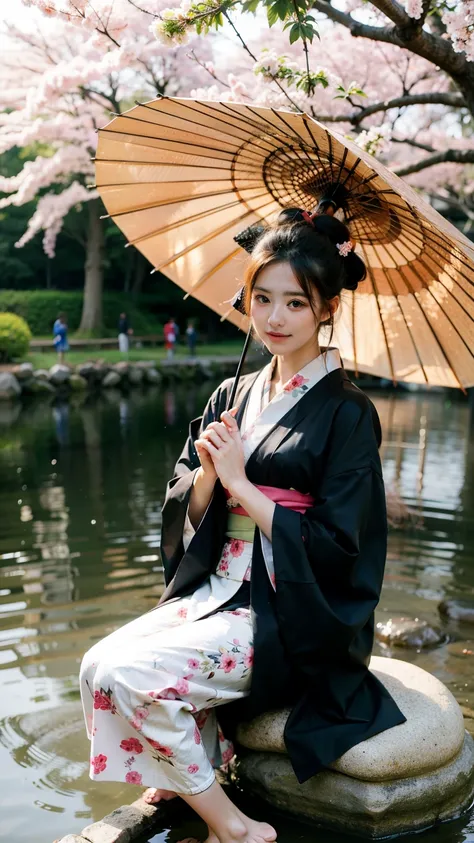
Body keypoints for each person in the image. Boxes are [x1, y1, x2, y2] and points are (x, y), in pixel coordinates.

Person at [80, 209, 406, 843]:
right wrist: (206, 476)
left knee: (131, 675)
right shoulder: (233, 395)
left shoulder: (348, 413)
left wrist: (242, 486)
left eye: (295, 303)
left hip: (288, 611)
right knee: (97, 663)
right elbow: (184, 506)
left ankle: (234, 826)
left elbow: (343, 549)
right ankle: (186, 770)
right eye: (262, 299)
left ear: (326, 309)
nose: (274, 319)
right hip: (217, 589)